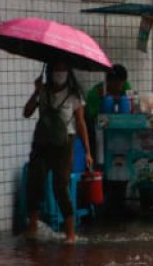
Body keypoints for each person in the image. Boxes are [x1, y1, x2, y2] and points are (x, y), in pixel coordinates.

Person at [21, 62, 89, 244]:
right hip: (42, 142)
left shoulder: (74, 95)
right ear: (50, 71)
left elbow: (80, 123)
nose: (60, 73)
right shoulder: (43, 91)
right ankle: (33, 228)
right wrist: (36, 92)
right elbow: (26, 112)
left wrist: (87, 151)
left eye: (63, 69)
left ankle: (70, 233)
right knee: (35, 182)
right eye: (57, 69)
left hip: (64, 143)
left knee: (60, 186)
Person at [85, 63, 133, 216]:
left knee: (122, 166)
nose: (120, 86)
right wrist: (103, 101)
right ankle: (103, 205)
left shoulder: (126, 88)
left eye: (122, 83)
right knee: (103, 168)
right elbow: (89, 116)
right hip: (100, 138)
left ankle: (121, 203)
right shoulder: (95, 93)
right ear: (109, 81)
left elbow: (131, 106)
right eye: (117, 83)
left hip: (121, 137)